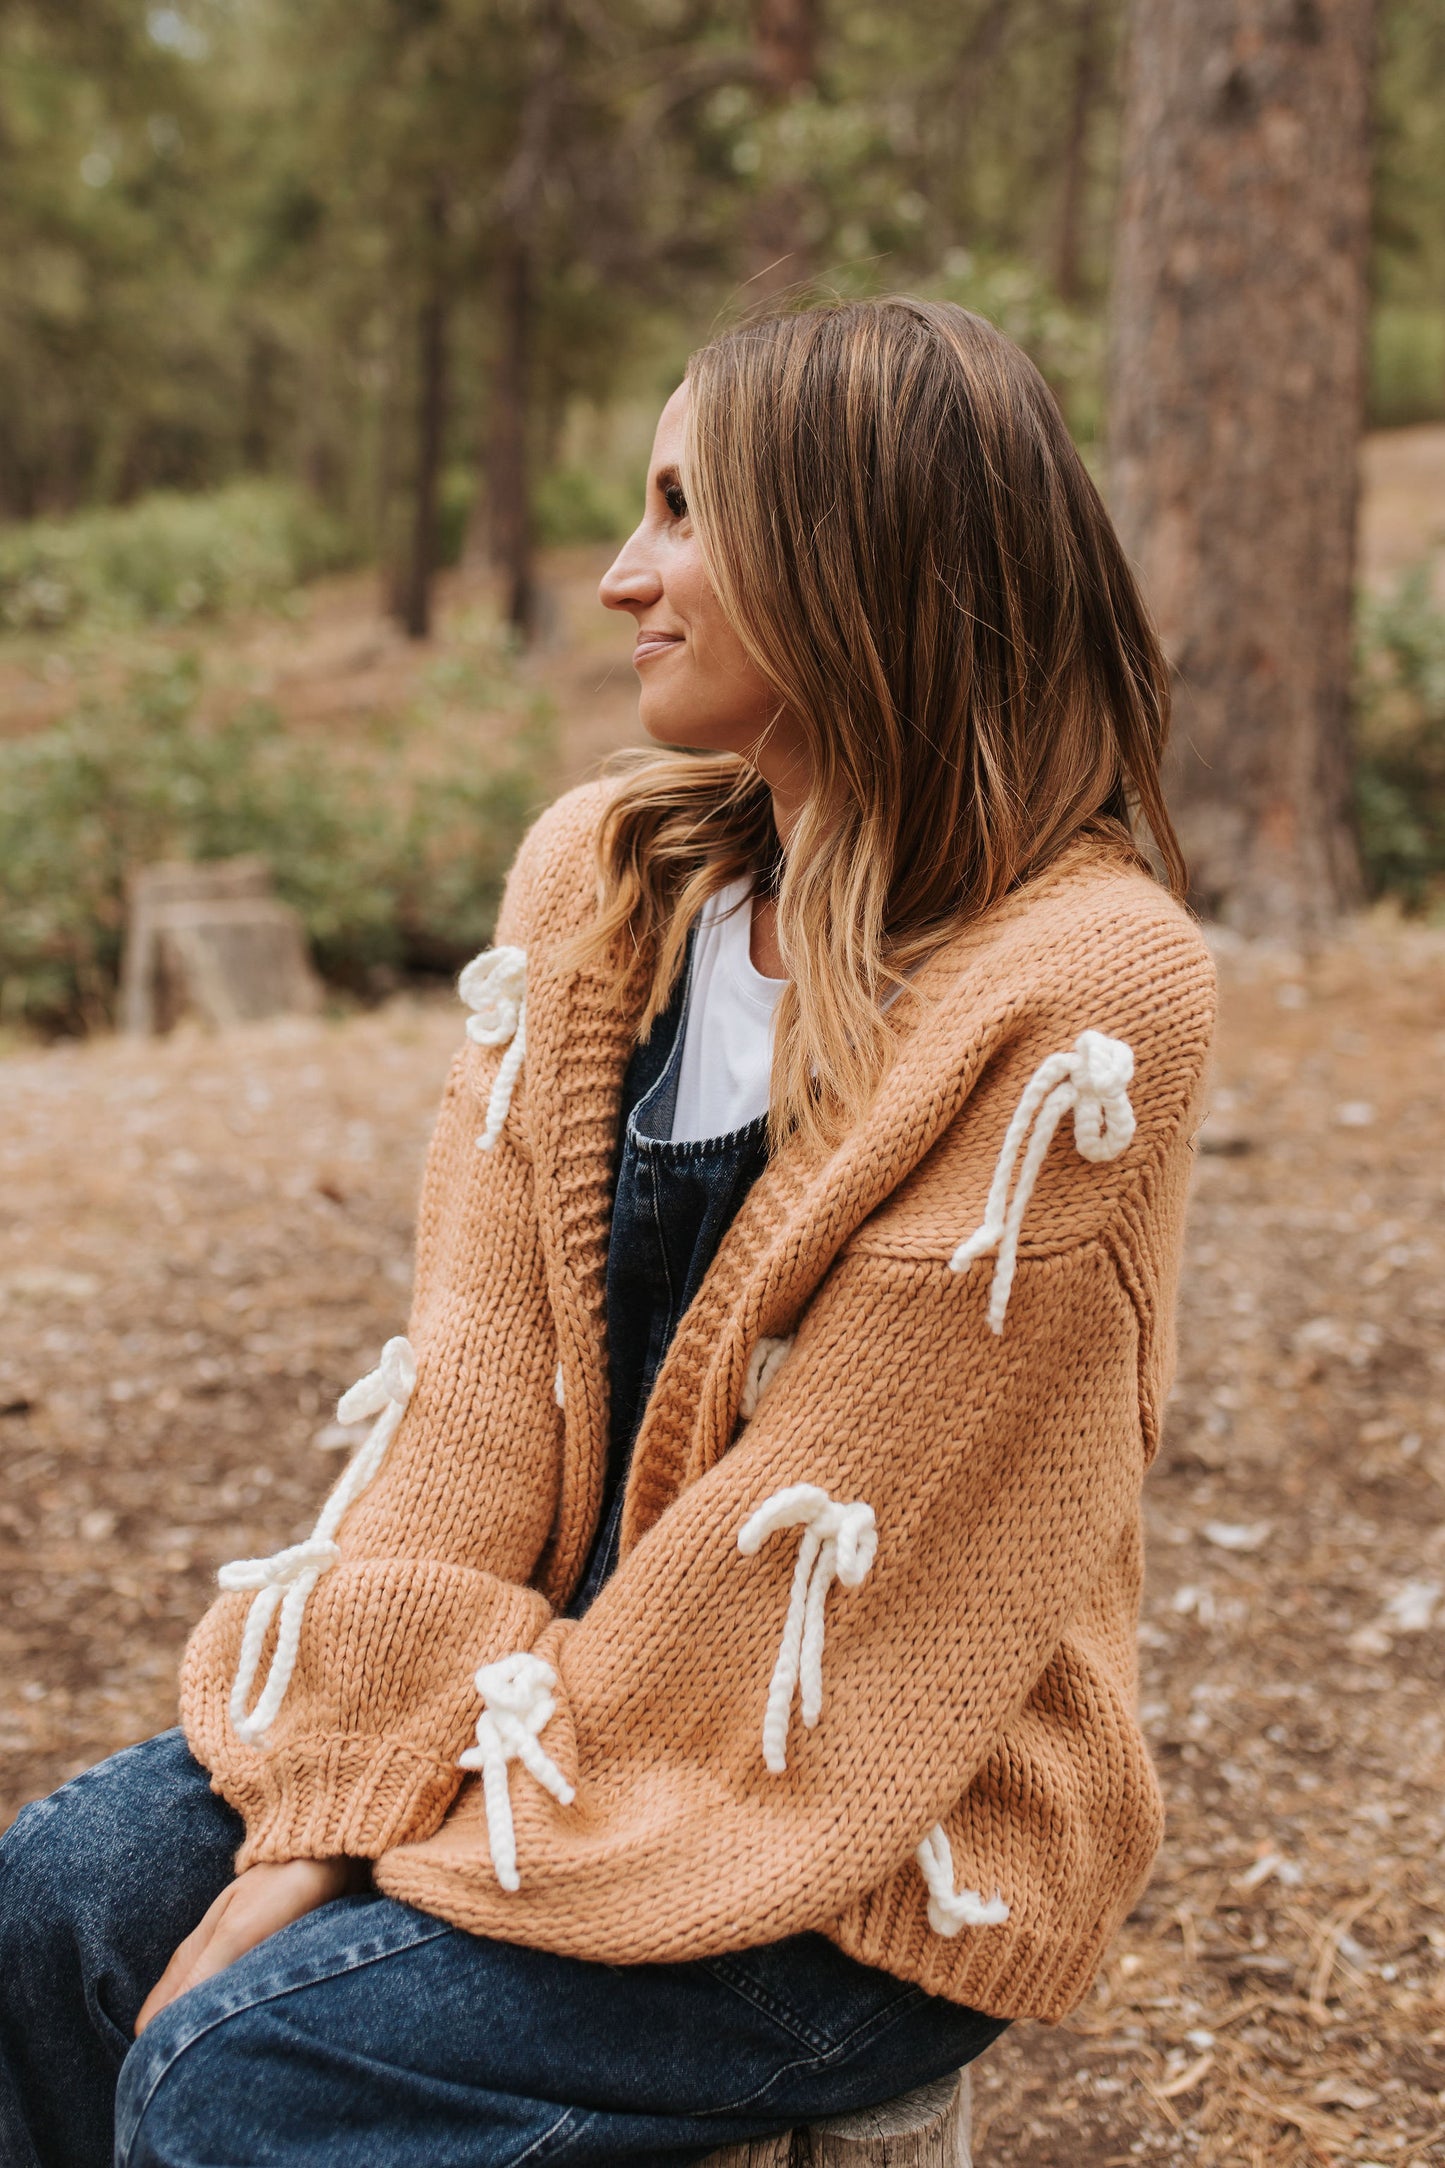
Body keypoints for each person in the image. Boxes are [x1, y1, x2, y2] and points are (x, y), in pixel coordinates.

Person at [0, 298, 1215, 2168]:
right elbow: (474, 1395)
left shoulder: (1080, 986)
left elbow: (784, 1563)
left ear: (845, 554)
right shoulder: (607, 878)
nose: (616, 578)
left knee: (249, 2069)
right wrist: (334, 1804)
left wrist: (390, 1855)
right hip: (511, 1699)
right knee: (62, 1908)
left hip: (852, 1813)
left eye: (678, 509)